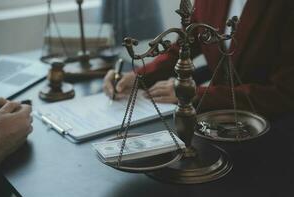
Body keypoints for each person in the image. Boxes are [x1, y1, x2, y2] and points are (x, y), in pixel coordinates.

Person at [103, 0, 294, 119]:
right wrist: (137, 76)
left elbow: (284, 94)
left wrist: (196, 94)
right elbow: (184, 46)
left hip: (273, 129)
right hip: (217, 122)